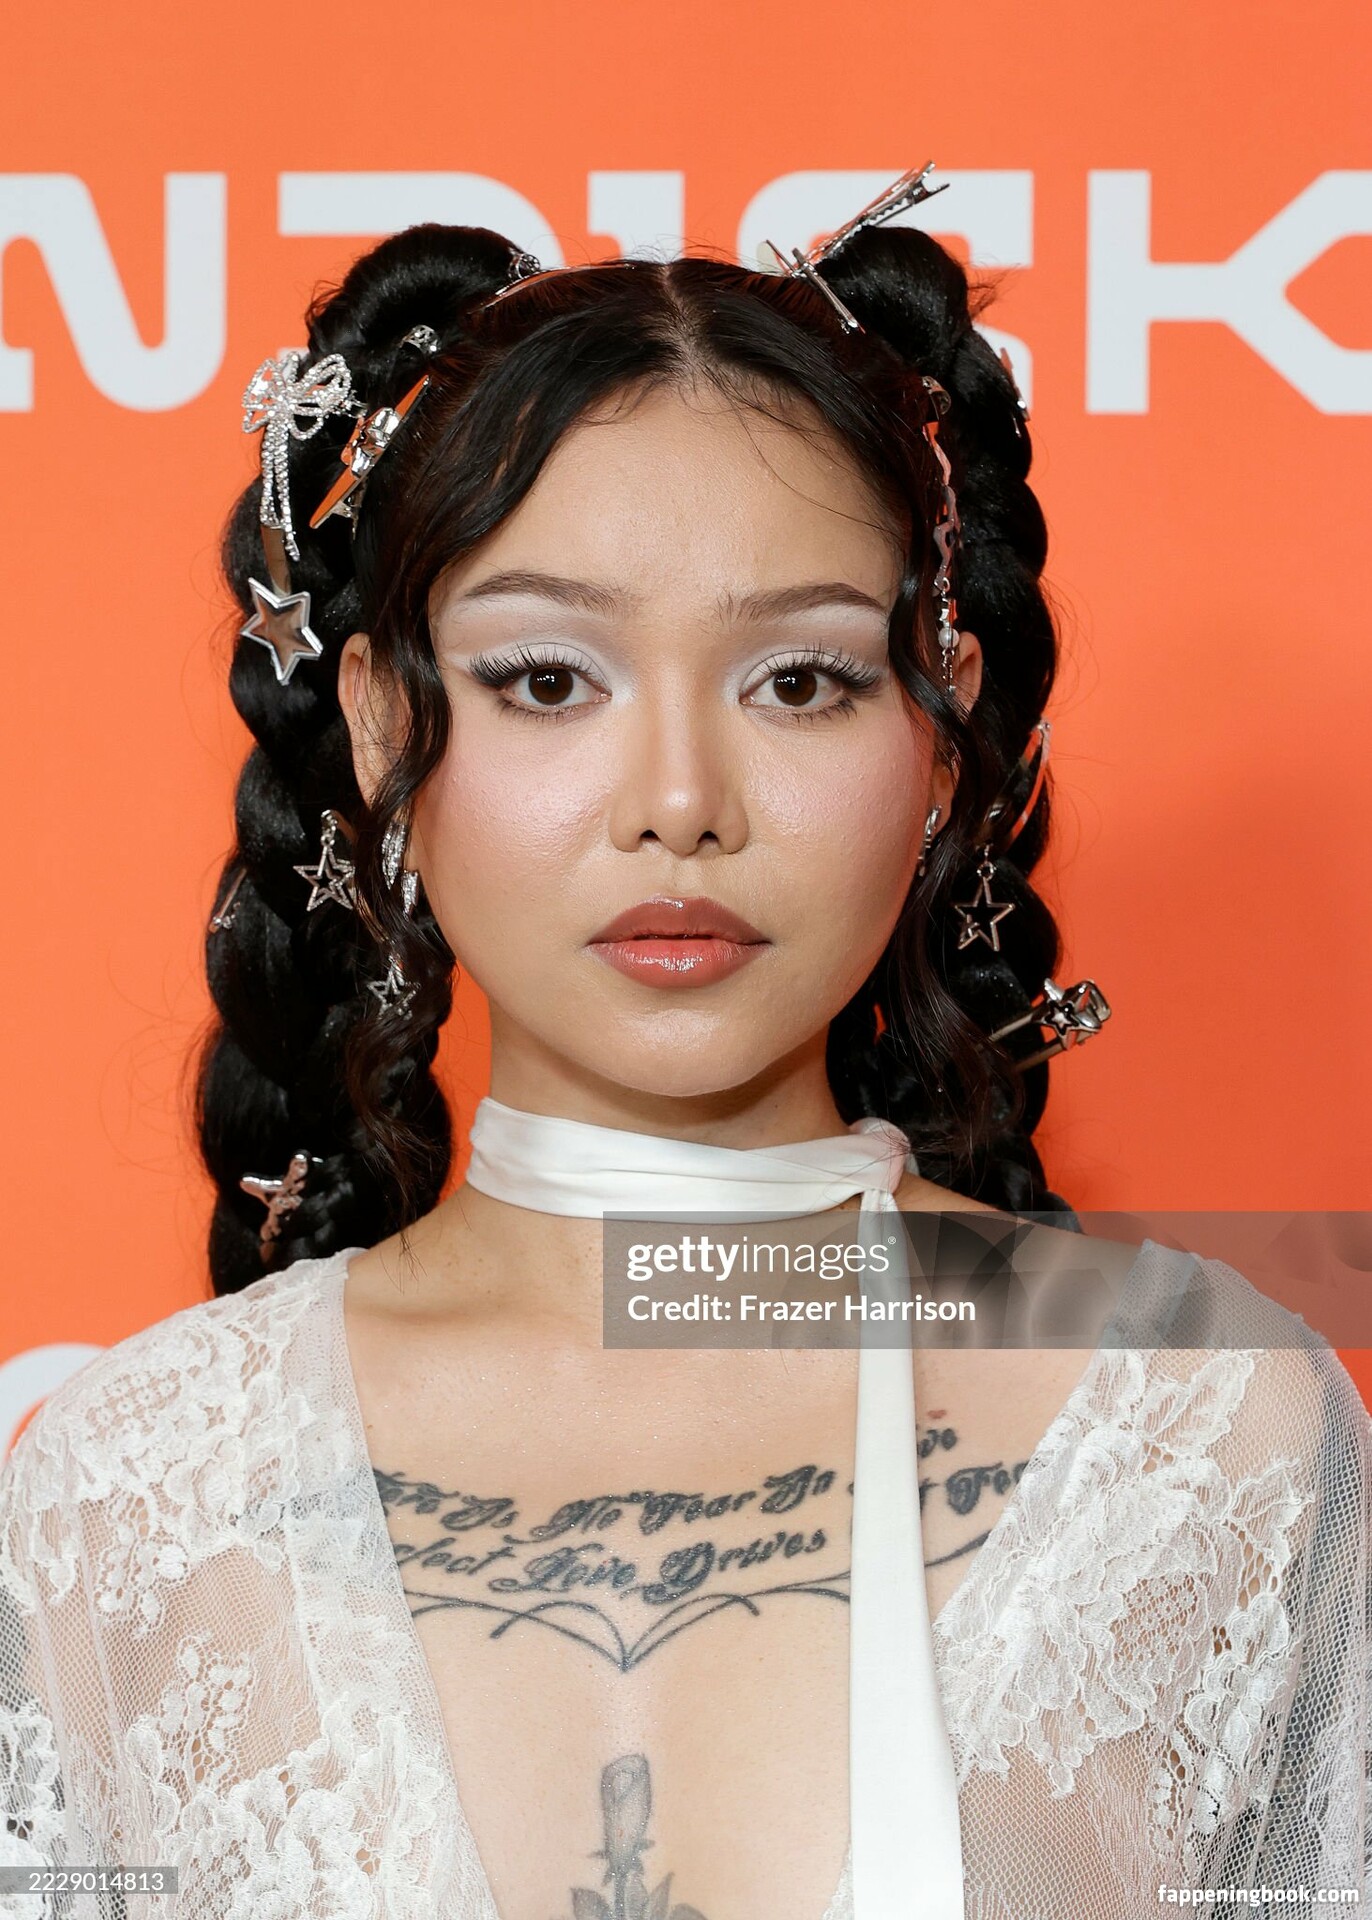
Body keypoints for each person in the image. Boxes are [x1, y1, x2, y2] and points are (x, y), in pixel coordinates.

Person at [1, 170, 1368, 1920]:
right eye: (546, 680)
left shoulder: (1212, 1427)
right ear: (385, 728)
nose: (679, 803)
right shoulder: (126, 1490)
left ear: (938, 737)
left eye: (798, 681)